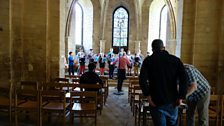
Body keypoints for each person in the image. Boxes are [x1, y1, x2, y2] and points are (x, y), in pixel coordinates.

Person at [139, 39, 187, 126]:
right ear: (163, 48)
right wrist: (181, 97)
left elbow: (142, 80)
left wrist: (148, 96)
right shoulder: (175, 60)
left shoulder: (148, 61)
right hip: (172, 100)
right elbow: (184, 79)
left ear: (152, 49)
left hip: (155, 100)